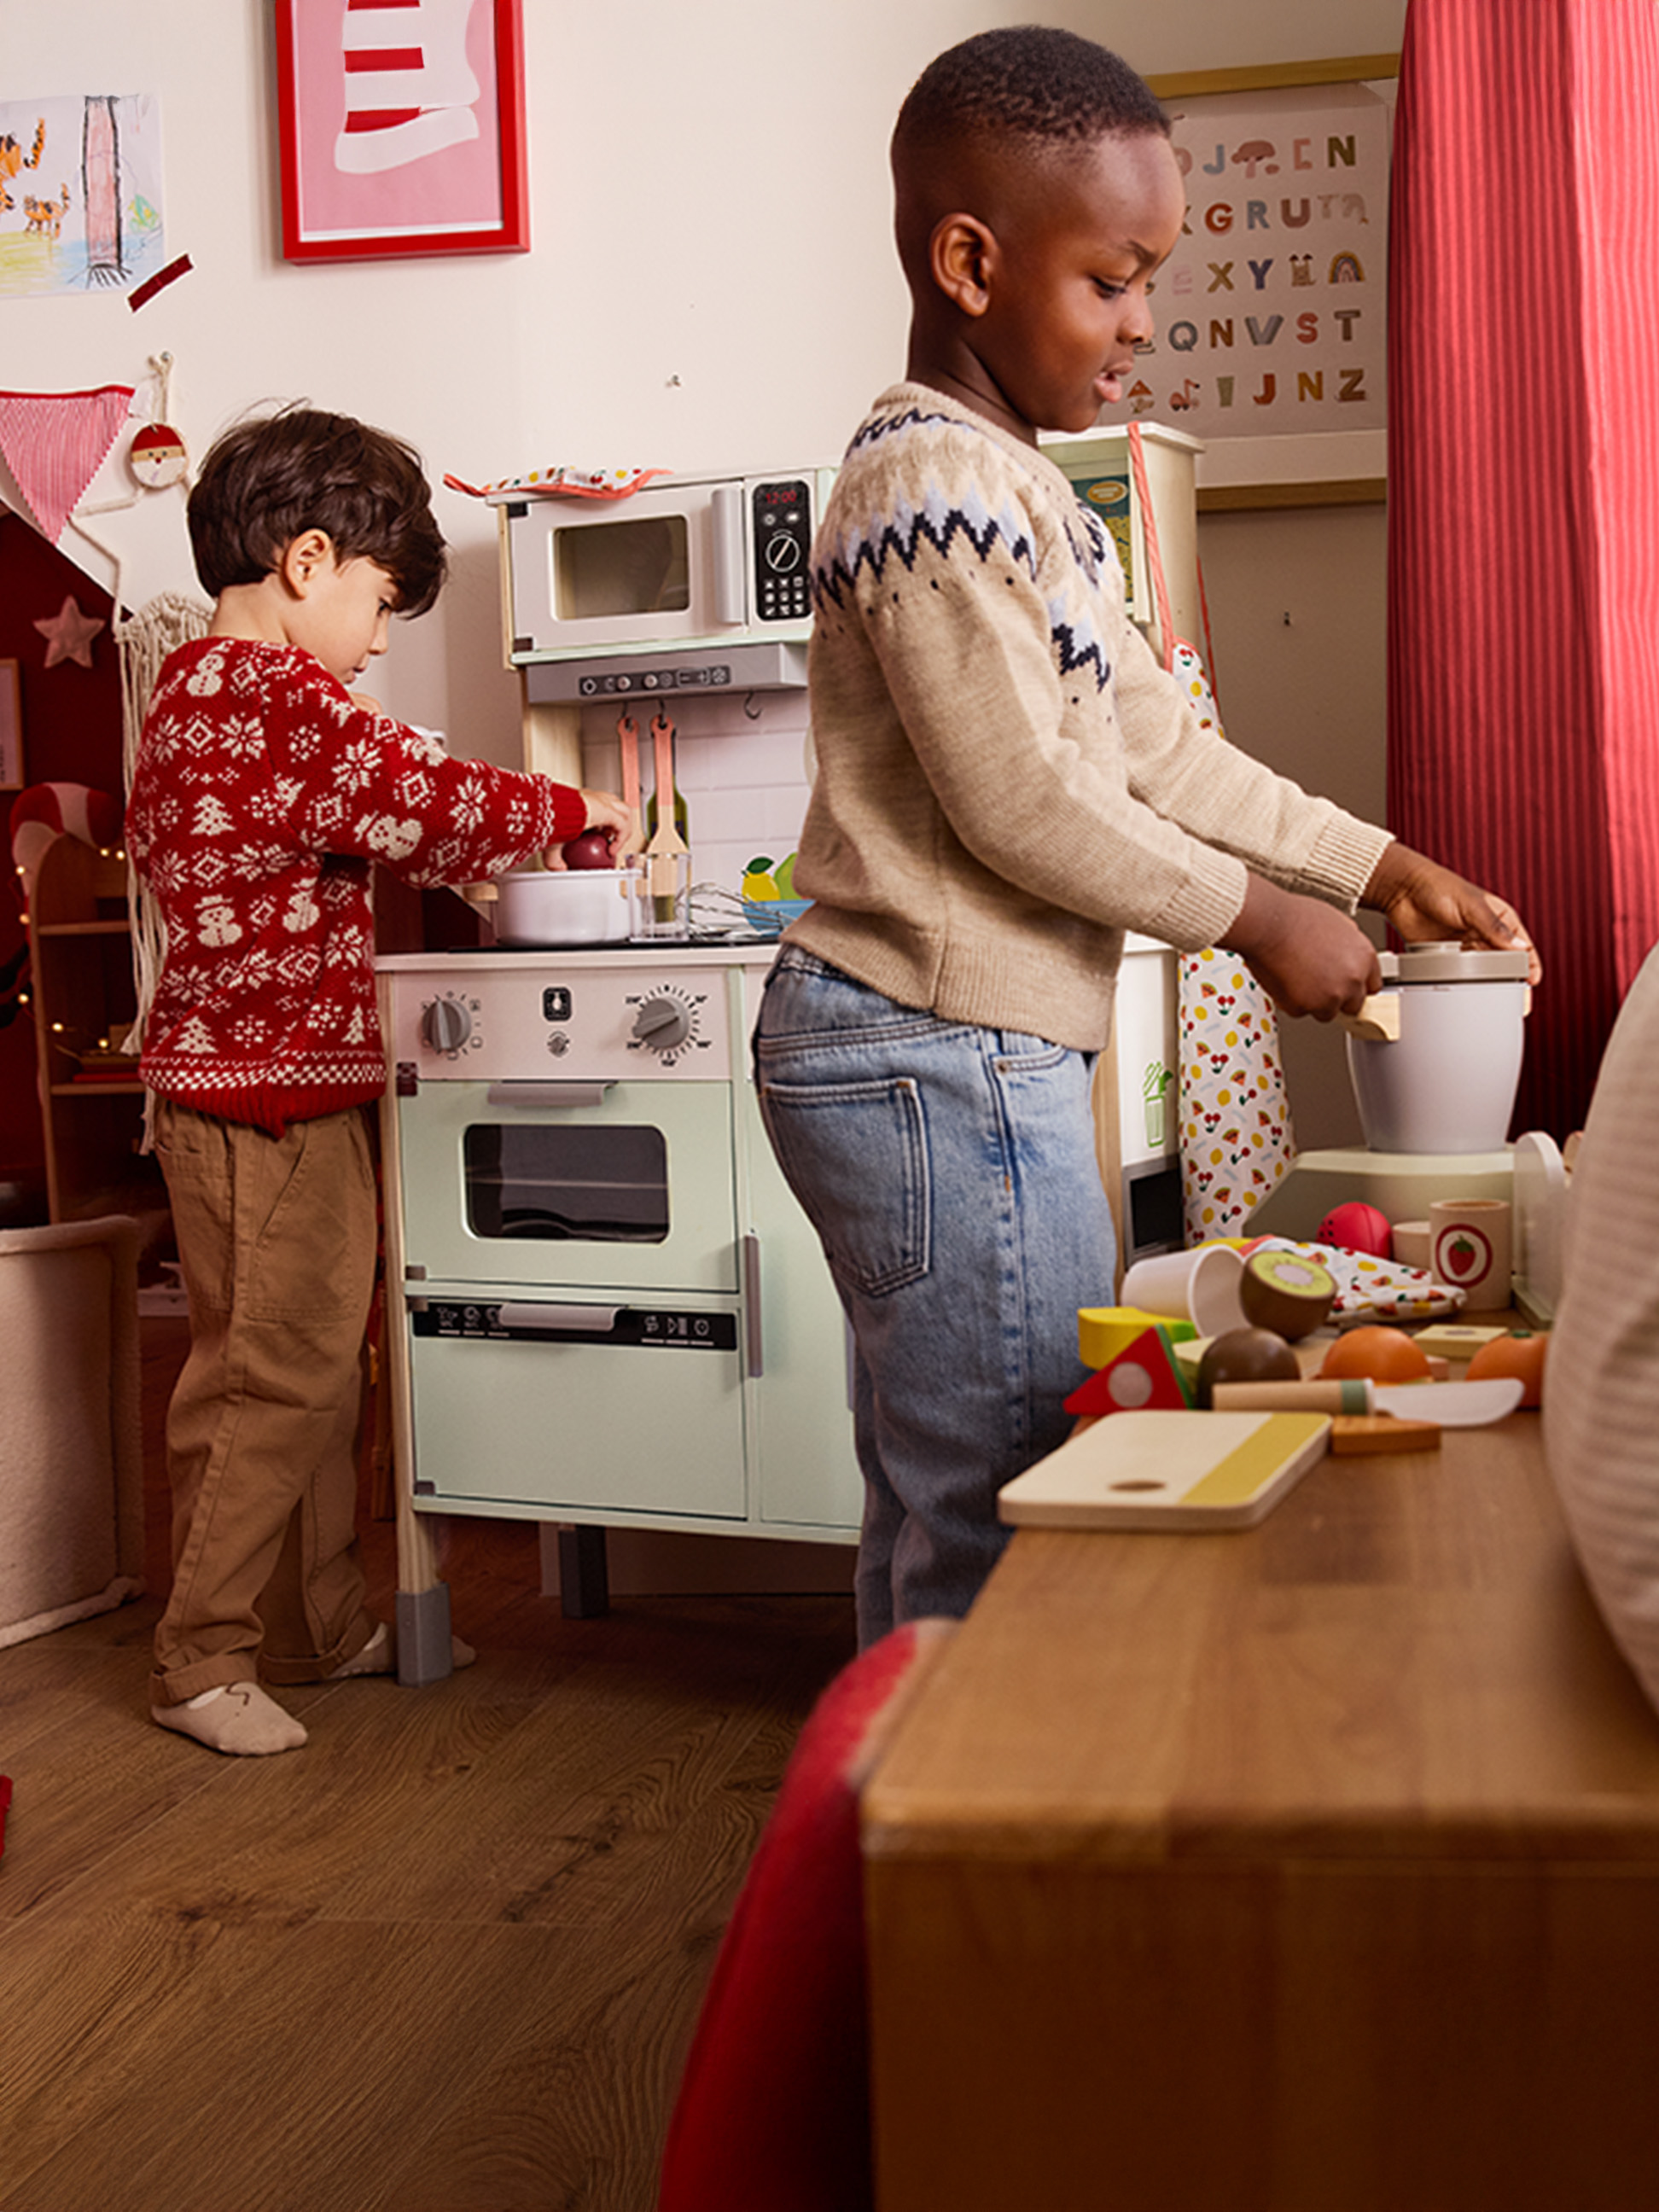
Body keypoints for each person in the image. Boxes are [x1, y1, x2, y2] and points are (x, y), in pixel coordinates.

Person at [752, 26, 1539, 1649]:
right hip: (928, 1051)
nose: (1144, 324)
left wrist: (1371, 866)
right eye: (1112, 281)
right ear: (970, 262)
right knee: (1009, 1482)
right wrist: (1259, 919)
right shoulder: (928, 486)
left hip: (945, 1051)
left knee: (941, 1483)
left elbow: (1156, 748)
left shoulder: (1013, 485)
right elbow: (1027, 804)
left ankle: (891, 1821)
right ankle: (971, 1855)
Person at [127, 405, 635, 1755]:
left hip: (283, 1088)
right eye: (378, 604)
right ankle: (199, 1659)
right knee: (268, 1381)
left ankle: (314, 1625)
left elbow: (353, 817)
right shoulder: (271, 697)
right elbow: (419, 794)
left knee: (315, 1374)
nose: (378, 639)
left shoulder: (198, 693)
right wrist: (571, 808)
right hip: (259, 1099)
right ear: (305, 563)